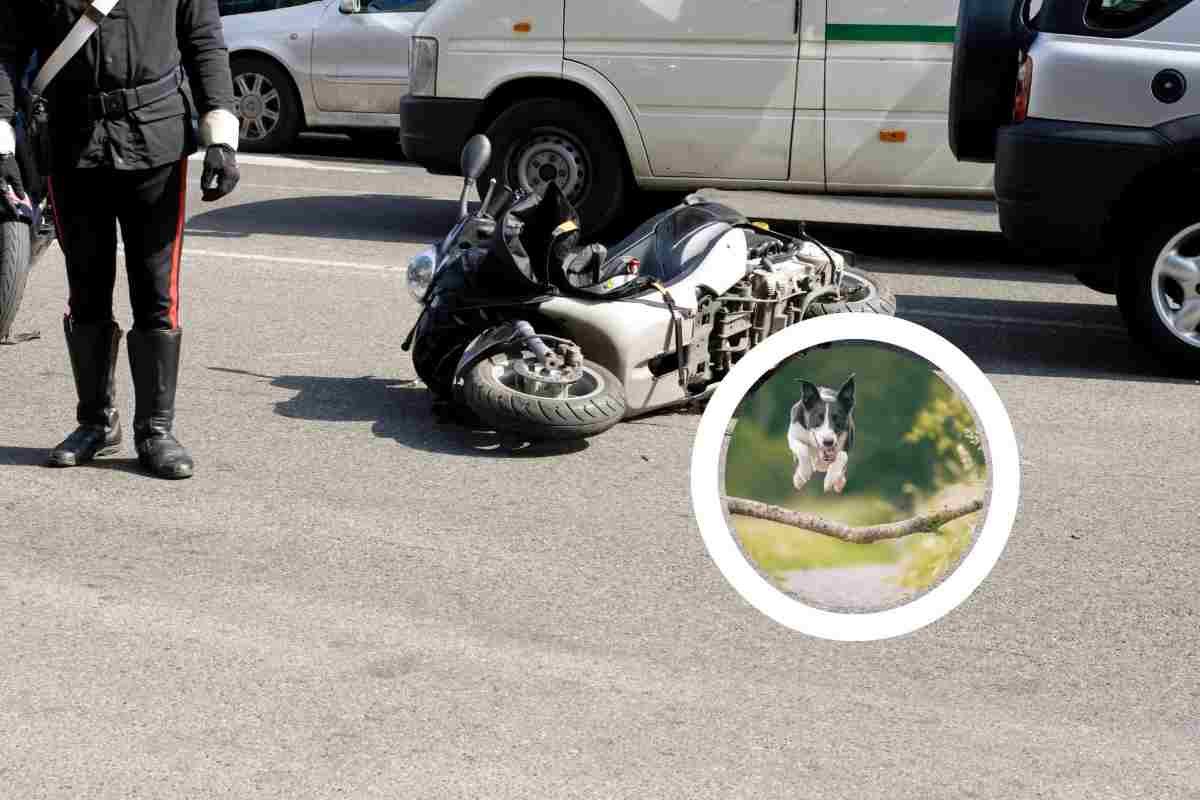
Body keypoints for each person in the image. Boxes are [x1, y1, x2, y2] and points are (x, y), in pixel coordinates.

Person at [0, 1, 241, 480]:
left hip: (156, 141)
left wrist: (221, 134)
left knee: (156, 292)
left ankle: (155, 429)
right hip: (72, 144)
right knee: (86, 290)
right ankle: (94, 422)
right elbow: (6, 52)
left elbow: (204, 43)